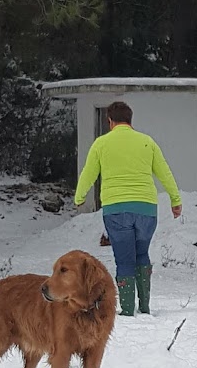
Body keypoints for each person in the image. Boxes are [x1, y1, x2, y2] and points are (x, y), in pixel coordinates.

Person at [74, 101, 182, 316]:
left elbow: (88, 173)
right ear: (130, 120)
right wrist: (175, 200)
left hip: (116, 209)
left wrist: (80, 196)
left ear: (110, 121)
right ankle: (145, 307)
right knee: (141, 253)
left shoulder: (101, 144)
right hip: (146, 210)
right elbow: (165, 172)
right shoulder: (147, 142)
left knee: (124, 259)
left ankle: (127, 309)